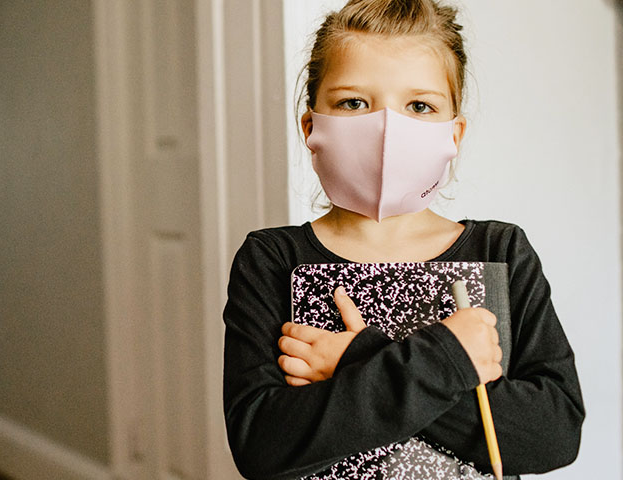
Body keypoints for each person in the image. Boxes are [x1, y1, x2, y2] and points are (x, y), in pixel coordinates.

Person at [221, 1, 585, 479]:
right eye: (354, 102)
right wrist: (449, 361)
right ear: (311, 126)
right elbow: (262, 446)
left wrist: (358, 360)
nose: (387, 131)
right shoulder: (272, 259)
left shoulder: (501, 253)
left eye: (420, 106)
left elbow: (552, 435)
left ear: (454, 134)